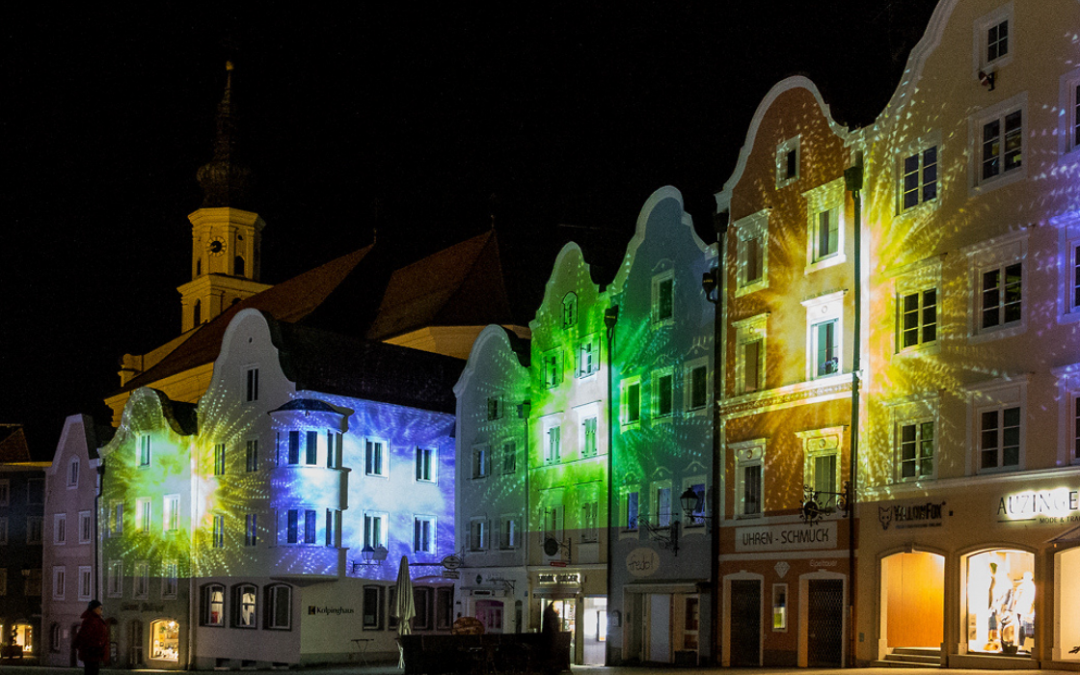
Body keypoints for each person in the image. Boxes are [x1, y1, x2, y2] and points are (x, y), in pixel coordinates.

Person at [74, 600, 109, 675]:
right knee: (91, 670)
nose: (101, 610)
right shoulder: (91, 620)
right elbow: (84, 635)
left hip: (94, 651)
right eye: (100, 608)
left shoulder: (95, 619)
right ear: (94, 609)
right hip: (92, 651)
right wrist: (97, 645)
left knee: (92, 670)